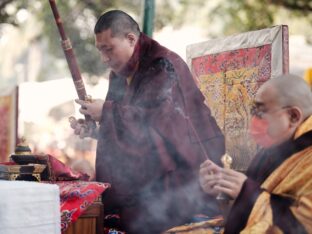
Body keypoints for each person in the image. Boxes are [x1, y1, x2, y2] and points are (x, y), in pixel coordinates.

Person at [69, 10, 225, 233]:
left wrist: (106, 111)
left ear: (131, 39)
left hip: (184, 176)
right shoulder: (120, 74)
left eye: (108, 49)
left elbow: (158, 126)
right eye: (100, 50)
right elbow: (128, 130)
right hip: (145, 180)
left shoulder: (162, 65)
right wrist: (95, 129)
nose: (104, 59)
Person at [199, 74, 312, 233]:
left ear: (293, 116)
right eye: (253, 111)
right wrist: (222, 191)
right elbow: (242, 215)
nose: (253, 120)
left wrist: (248, 193)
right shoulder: (268, 153)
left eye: (260, 111)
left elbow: (304, 225)